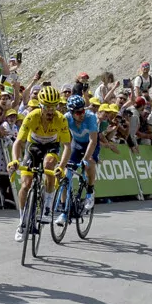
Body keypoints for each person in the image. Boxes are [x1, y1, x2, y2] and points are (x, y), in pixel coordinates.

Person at [8, 85, 72, 241]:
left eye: (54, 106)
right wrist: (15, 160)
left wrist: (61, 168)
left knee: (49, 165)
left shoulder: (61, 119)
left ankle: (48, 206)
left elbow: (67, 146)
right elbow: (18, 142)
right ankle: (22, 221)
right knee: (25, 184)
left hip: (51, 146)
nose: (50, 110)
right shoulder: (32, 116)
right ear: (40, 105)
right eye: (47, 107)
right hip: (33, 147)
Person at [60, 94, 99, 225]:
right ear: (71, 112)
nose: (82, 114)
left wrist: (86, 158)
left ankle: (89, 191)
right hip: (76, 144)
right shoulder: (66, 119)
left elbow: (93, 141)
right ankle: (64, 211)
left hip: (90, 143)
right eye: (78, 112)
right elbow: (64, 140)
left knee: (89, 163)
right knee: (66, 176)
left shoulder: (90, 117)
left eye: (83, 110)